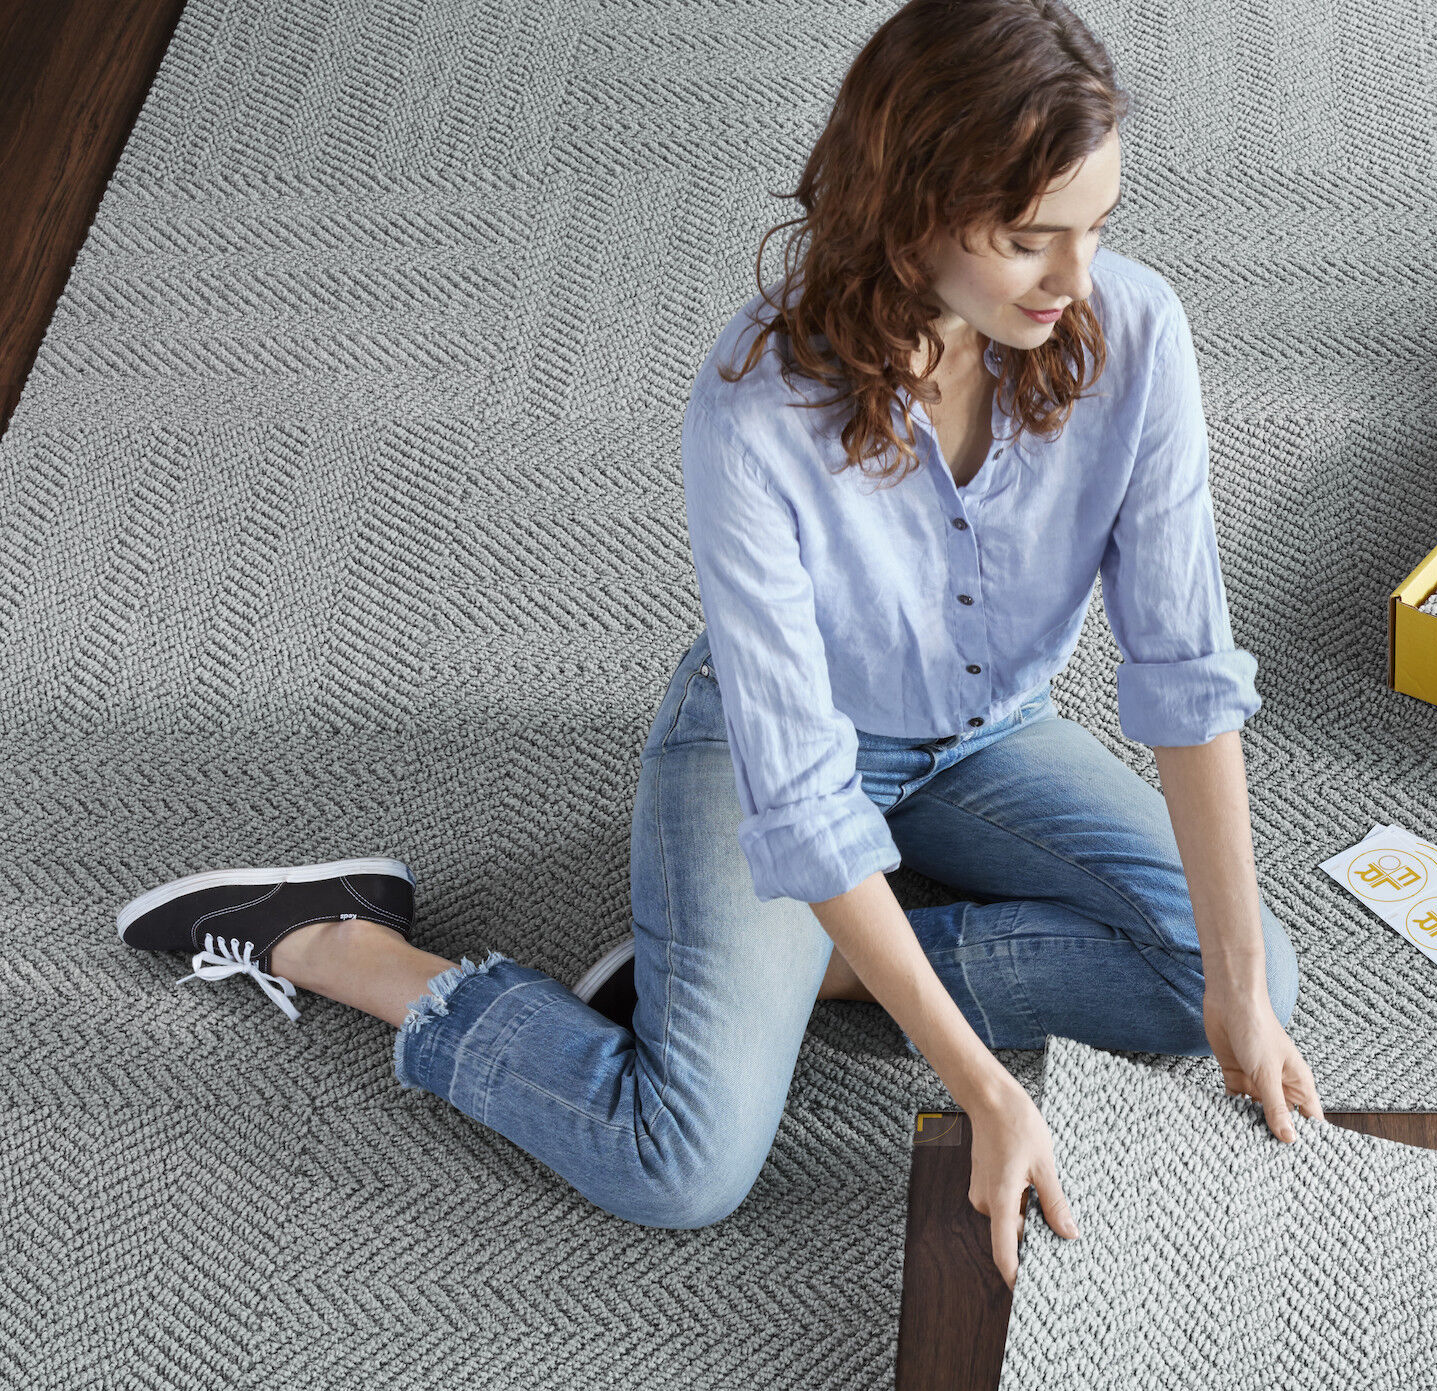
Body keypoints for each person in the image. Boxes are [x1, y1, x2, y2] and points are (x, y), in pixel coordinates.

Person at [112, 0, 1323, 1287]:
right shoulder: (755, 408)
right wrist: (978, 1084)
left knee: (1238, 975)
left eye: (1096, 228)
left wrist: (1240, 990)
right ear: (910, 209)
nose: (1078, 280)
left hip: (990, 737)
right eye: (1030, 241)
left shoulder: (1134, 334)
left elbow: (1184, 671)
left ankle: (815, 968)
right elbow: (800, 791)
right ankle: (338, 940)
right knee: (680, 1162)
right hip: (769, 749)